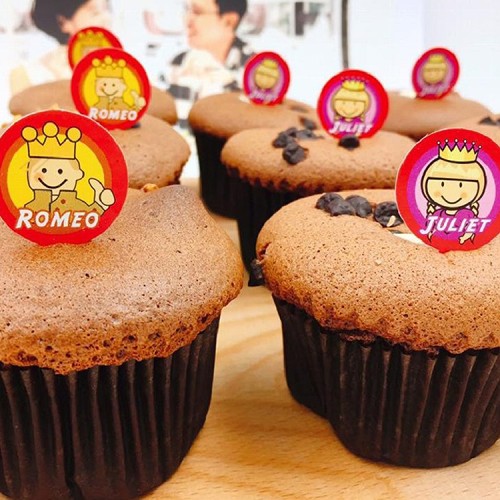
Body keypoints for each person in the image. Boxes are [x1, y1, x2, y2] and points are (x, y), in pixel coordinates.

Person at [167, 0, 253, 126]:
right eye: (187, 10)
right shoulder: (179, 62)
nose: (187, 21)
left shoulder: (256, 69)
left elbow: (252, 122)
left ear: (229, 21)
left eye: (197, 12)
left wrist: (225, 82)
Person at [9, 0, 111, 94]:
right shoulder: (31, 75)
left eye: (107, 10)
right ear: (63, 22)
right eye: (95, 13)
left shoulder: (114, 65)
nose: (107, 18)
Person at [420, 140, 487, 244]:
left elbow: (471, 230)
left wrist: (464, 238)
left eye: (461, 185)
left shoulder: (467, 214)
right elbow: (430, 230)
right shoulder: (437, 214)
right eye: (442, 184)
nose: (451, 192)